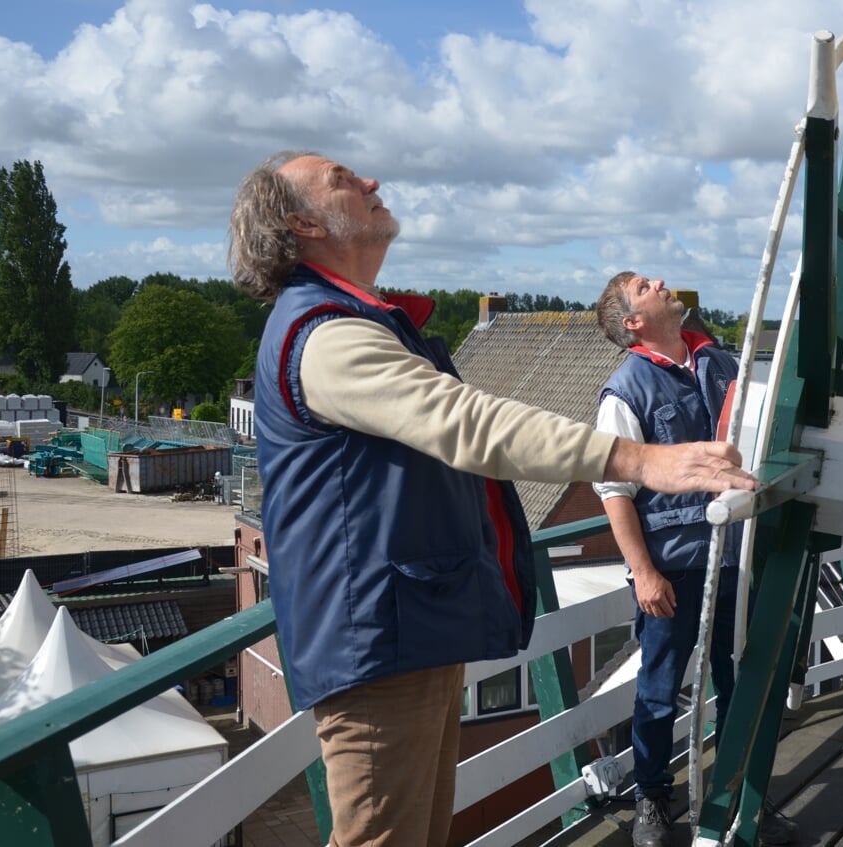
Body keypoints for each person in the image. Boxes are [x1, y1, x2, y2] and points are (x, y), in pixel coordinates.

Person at [227, 152, 756, 847]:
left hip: (400, 632)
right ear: (301, 221)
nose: (370, 181)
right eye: (342, 179)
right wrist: (641, 458)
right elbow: (468, 423)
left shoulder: (346, 321)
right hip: (375, 642)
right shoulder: (324, 335)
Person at [593, 271, 799, 846]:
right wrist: (645, 573)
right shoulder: (625, 391)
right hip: (675, 567)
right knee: (658, 691)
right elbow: (615, 494)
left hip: (737, 558)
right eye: (643, 285)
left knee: (742, 684)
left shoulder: (722, 364)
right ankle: (652, 801)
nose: (659, 281)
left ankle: (740, 799)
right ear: (634, 323)